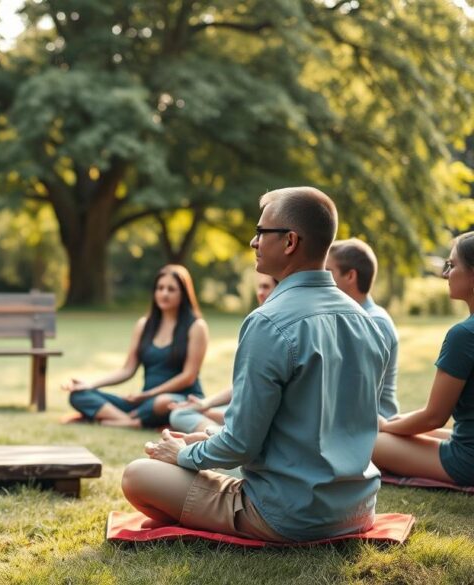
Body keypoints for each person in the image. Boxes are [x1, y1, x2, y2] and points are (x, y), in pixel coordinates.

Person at [122, 187, 390, 542]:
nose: (253, 241)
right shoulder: (365, 320)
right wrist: (205, 439)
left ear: (290, 241)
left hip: (288, 515)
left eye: (261, 232)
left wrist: (184, 453)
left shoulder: (269, 322)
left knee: (137, 474)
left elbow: (241, 446)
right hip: (358, 510)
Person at [372, 232, 474, 486]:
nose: (444, 274)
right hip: (466, 440)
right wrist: (392, 423)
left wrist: (384, 427)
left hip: (466, 460)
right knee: (399, 424)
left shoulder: (463, 335)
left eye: (451, 265)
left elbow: (434, 418)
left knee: (361, 440)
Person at [63, 264, 209, 428]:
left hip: (178, 399)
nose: (164, 293)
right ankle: (130, 421)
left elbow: (188, 376)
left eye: (171, 289)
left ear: (184, 293)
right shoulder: (144, 325)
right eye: (160, 288)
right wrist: (90, 384)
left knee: (163, 402)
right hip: (145, 402)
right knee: (78, 395)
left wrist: (148, 395)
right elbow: (127, 370)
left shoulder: (197, 327)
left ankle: (122, 420)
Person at [169, 273, 277, 433]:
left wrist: (207, 407)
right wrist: (205, 404)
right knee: (179, 413)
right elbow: (243, 384)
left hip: (256, 414)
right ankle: (216, 431)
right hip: (240, 409)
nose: (260, 292)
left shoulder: (272, 327)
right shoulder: (260, 321)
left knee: (179, 412)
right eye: (259, 286)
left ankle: (215, 436)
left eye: (266, 287)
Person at [326, 238, 399, 418]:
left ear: (350, 276)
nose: (322, 278)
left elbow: (351, 393)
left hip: (373, 430)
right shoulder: (347, 319)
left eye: (328, 272)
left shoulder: (374, 323)